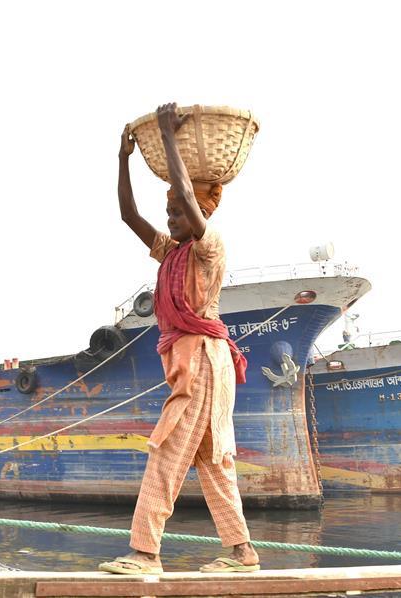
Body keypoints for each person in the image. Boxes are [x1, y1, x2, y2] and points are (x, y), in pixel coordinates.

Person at [98, 103, 259, 575]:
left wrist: (169, 135)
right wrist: (123, 159)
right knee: (211, 458)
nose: (170, 218)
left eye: (178, 212)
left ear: (199, 213)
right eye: (168, 211)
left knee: (167, 449)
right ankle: (242, 552)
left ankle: (145, 553)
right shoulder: (171, 252)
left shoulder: (209, 248)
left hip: (203, 361)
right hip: (195, 362)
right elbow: (128, 215)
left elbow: (188, 195)